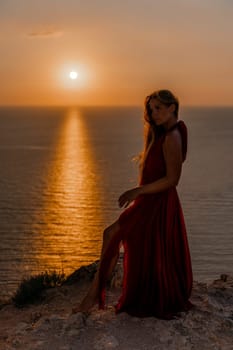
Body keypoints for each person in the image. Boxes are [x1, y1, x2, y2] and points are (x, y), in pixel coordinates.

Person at [73, 89, 193, 319]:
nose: (153, 113)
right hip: (150, 201)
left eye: (158, 108)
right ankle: (102, 295)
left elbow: (172, 180)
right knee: (137, 246)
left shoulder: (172, 137)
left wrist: (137, 191)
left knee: (111, 235)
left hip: (157, 204)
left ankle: (91, 297)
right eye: (151, 109)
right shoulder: (164, 133)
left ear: (172, 107)